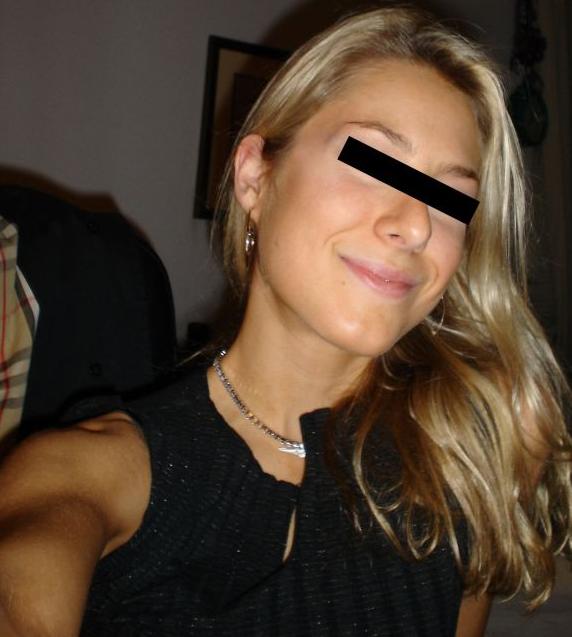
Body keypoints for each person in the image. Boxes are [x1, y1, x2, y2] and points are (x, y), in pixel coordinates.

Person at [0, 6, 571, 636]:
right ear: (255, 176)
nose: (415, 224)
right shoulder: (90, 474)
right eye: (372, 163)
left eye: (451, 199)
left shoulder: (466, 466)